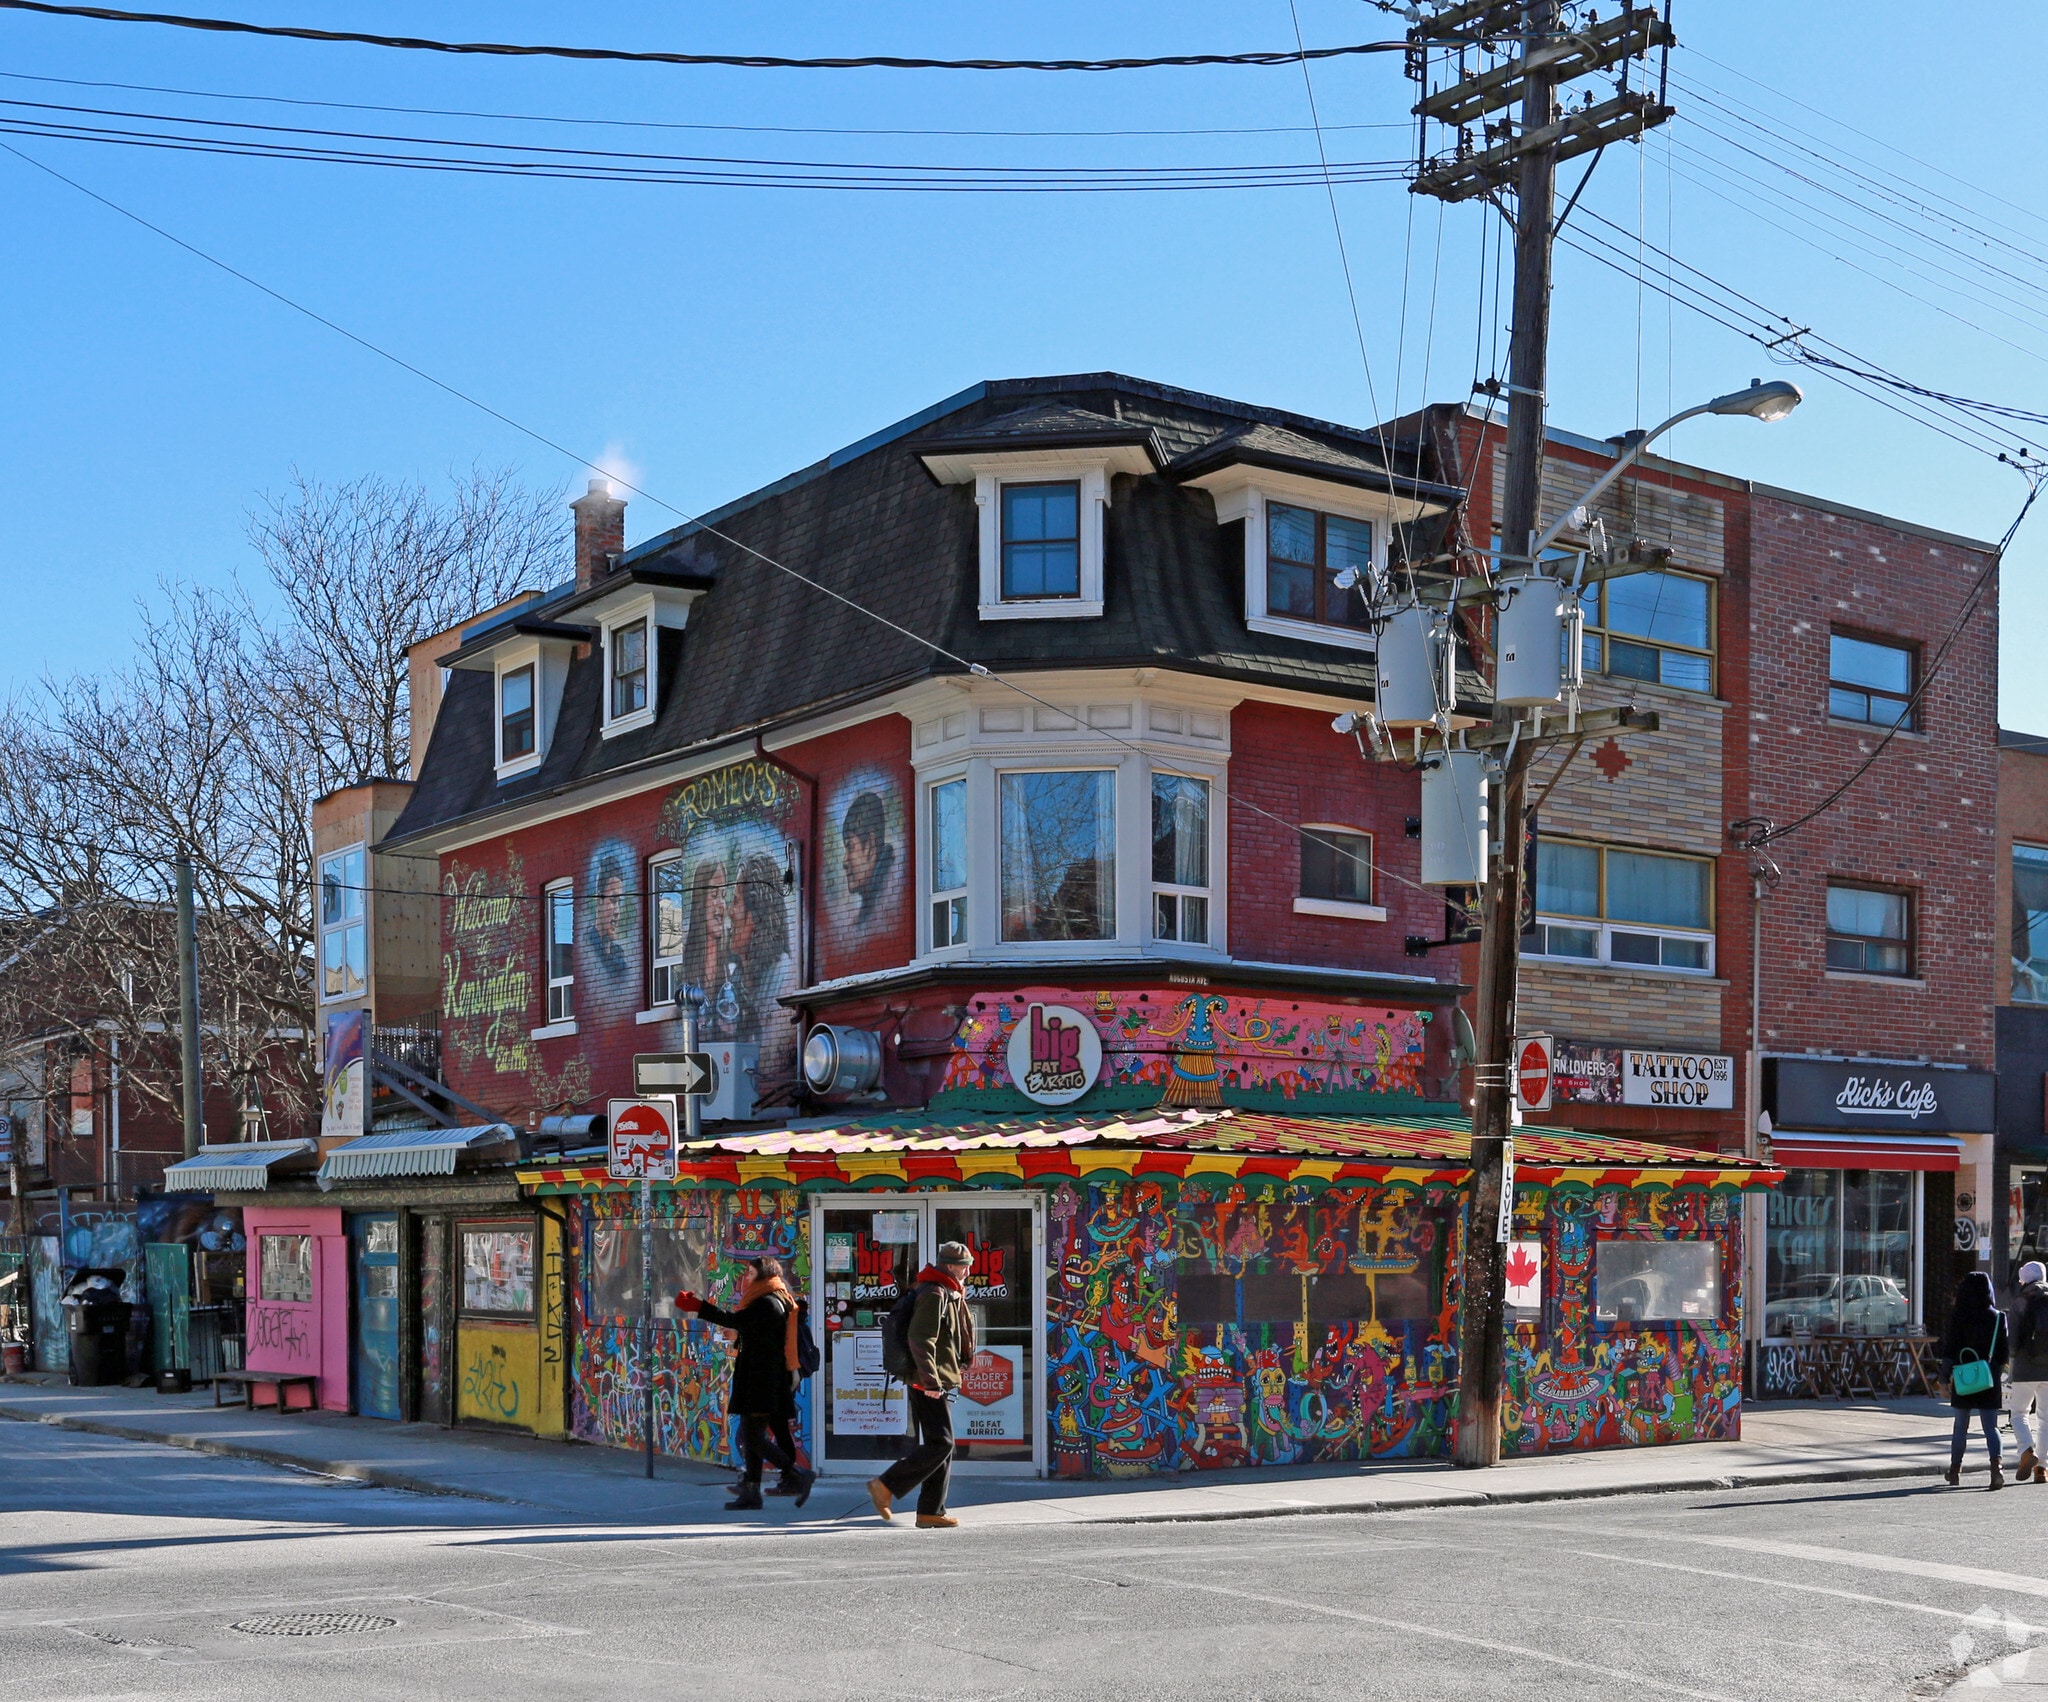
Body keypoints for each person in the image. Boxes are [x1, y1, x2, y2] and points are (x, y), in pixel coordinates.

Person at [676, 1257, 815, 1511]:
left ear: (763, 1275)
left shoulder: (767, 1302)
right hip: (764, 1378)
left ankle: (796, 1474)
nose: (746, 1278)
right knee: (755, 1435)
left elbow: (735, 1321)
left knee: (753, 1437)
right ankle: (752, 1493)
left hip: (762, 1379)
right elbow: (749, 1329)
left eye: (751, 1274)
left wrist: (698, 1306)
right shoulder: (775, 1298)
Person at [869, 1240, 975, 1531]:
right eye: (966, 1266)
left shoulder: (947, 1291)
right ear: (951, 1266)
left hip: (935, 1379)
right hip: (928, 1382)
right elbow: (920, 1339)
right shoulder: (933, 1292)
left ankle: (931, 1511)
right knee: (943, 1443)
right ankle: (885, 1485)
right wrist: (930, 1381)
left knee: (938, 1445)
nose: (969, 1271)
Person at [1940, 1269, 2009, 1489]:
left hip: (1963, 1376)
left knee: (1961, 1426)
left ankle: (1954, 1470)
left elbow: (1950, 1349)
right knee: (1991, 1427)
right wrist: (1995, 1369)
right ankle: (1996, 1467)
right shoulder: (1998, 1317)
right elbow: (2004, 1353)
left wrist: (1944, 1378)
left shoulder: (1959, 1316)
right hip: (1988, 1377)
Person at [2009, 1260, 2048, 1483]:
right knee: (2046, 1419)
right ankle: (2041, 1468)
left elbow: (2013, 1340)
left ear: (2025, 1278)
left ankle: (2026, 1451)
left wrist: (2011, 1360)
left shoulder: (2020, 1301)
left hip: (2025, 1367)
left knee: (2019, 1413)